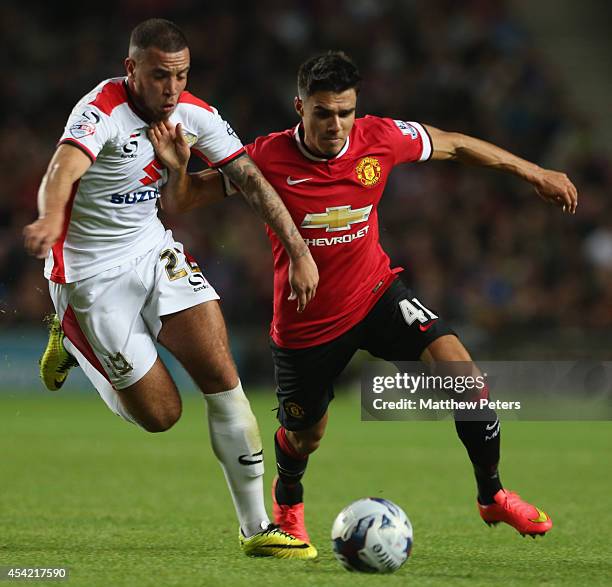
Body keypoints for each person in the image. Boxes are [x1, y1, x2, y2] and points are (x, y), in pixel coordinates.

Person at [146, 51, 578, 549]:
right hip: (308, 324)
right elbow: (182, 202)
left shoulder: (380, 137)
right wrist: (178, 171)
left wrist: (534, 172)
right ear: (299, 108)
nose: (335, 125)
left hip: (377, 293)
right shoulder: (265, 156)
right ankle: (288, 499)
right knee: (305, 437)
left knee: (467, 381)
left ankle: (492, 495)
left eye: (345, 112)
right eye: (323, 113)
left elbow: (455, 146)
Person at [22, 18, 320, 559]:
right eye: (160, 75)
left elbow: (250, 179)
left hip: (153, 253)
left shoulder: (193, 116)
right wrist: (47, 218)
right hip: (89, 278)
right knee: (161, 416)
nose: (172, 89)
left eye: (181, 75)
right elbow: (62, 169)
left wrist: (299, 251)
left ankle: (258, 528)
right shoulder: (100, 111)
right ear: (131, 69)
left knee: (223, 378)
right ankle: (70, 341)